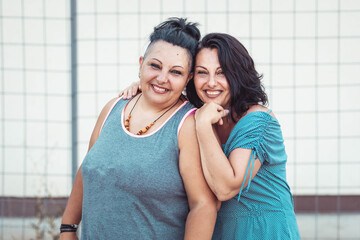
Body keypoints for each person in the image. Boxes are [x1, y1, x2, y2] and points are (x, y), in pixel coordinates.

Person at [121, 33, 300, 239]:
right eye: (202, 72)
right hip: (219, 231)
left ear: (238, 75)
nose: (211, 83)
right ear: (191, 77)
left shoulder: (258, 120)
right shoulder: (198, 112)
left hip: (263, 231)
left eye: (221, 73)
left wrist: (203, 125)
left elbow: (225, 188)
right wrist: (143, 89)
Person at [60, 18, 218, 240]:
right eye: (155, 66)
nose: (162, 78)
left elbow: (203, 205)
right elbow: (88, 170)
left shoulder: (188, 125)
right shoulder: (113, 108)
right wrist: (68, 228)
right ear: (141, 64)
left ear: (188, 78)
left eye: (175, 72)